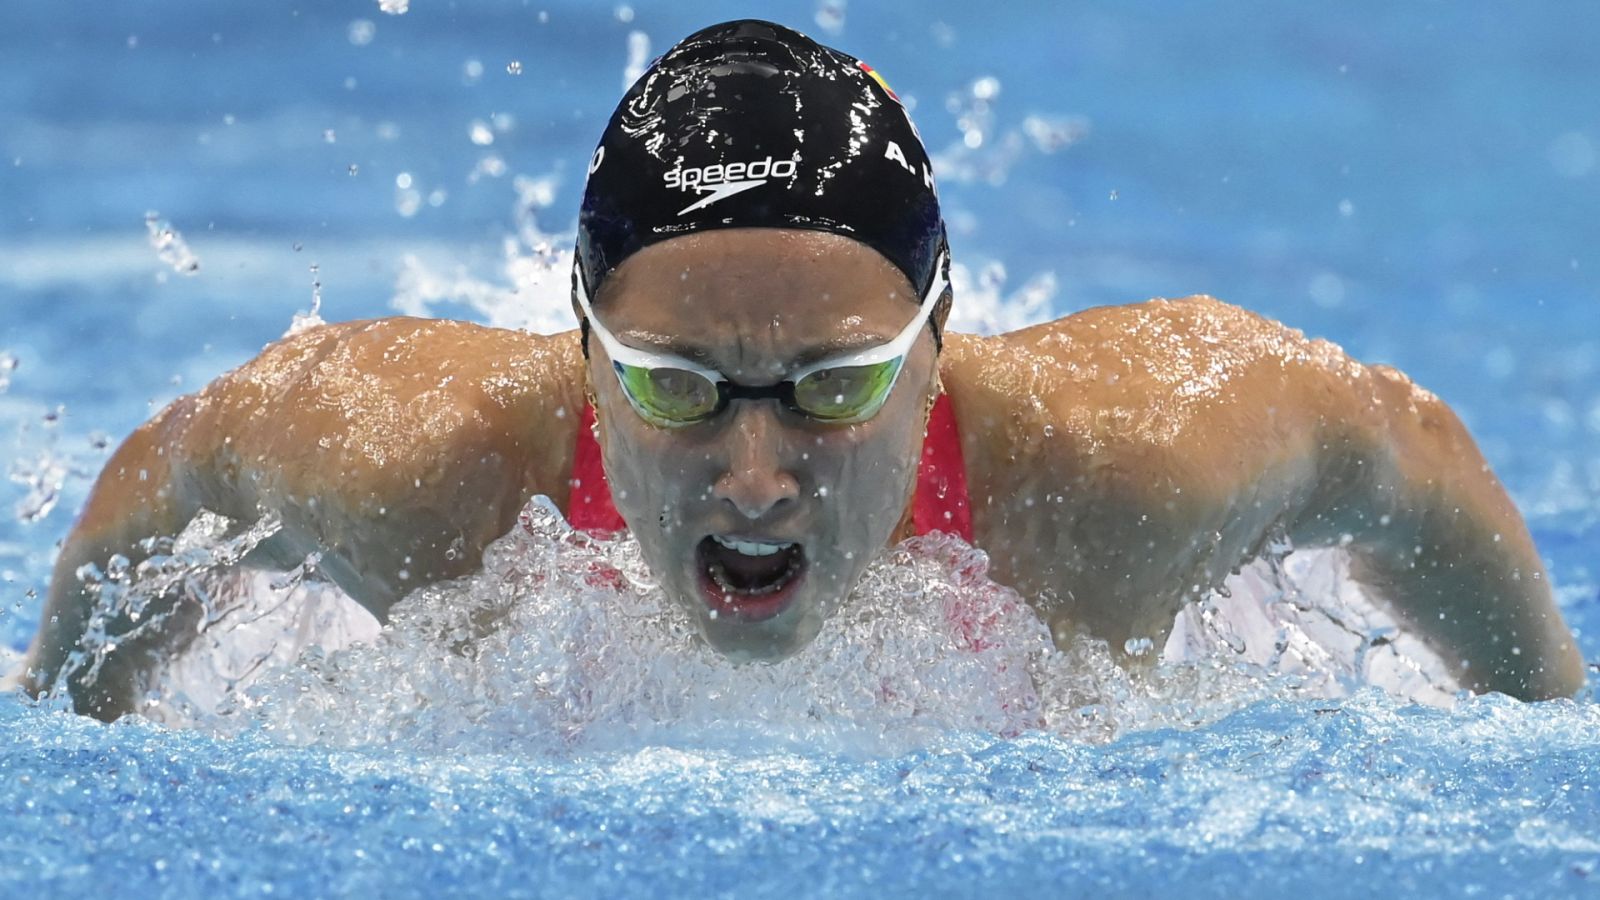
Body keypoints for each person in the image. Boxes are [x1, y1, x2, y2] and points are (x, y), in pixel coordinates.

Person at [21, 19, 1584, 720]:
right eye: (677, 390)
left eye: (835, 389)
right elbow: (173, 475)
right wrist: (62, 719)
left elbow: (1410, 453)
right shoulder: (422, 471)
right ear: (582, 346)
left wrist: (1559, 730)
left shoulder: (1118, 472)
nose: (756, 479)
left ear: (937, 342)